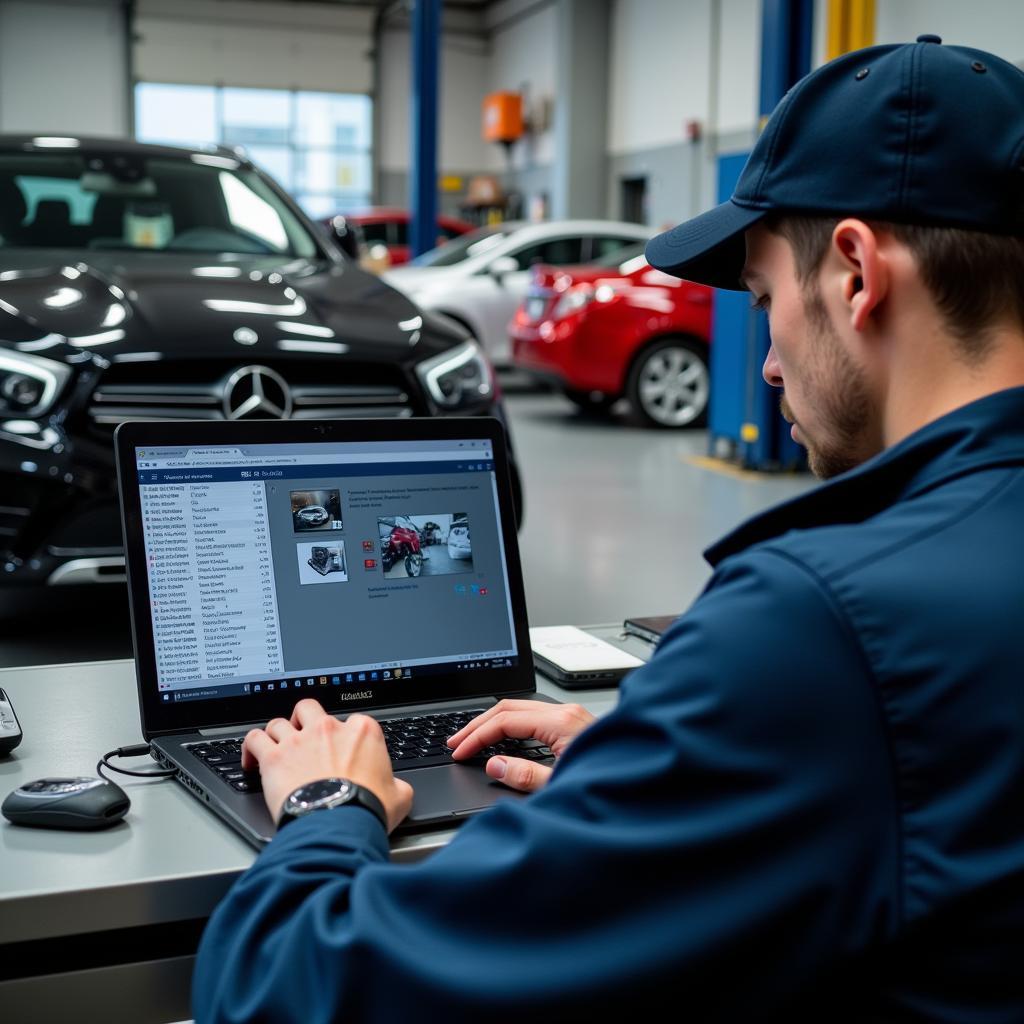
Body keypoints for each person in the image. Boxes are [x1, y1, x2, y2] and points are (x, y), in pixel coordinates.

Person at [192, 37, 1024, 1022]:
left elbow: (289, 988)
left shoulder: (820, 626)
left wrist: (328, 807)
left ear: (853, 273)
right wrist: (659, 769)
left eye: (764, 302)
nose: (763, 363)